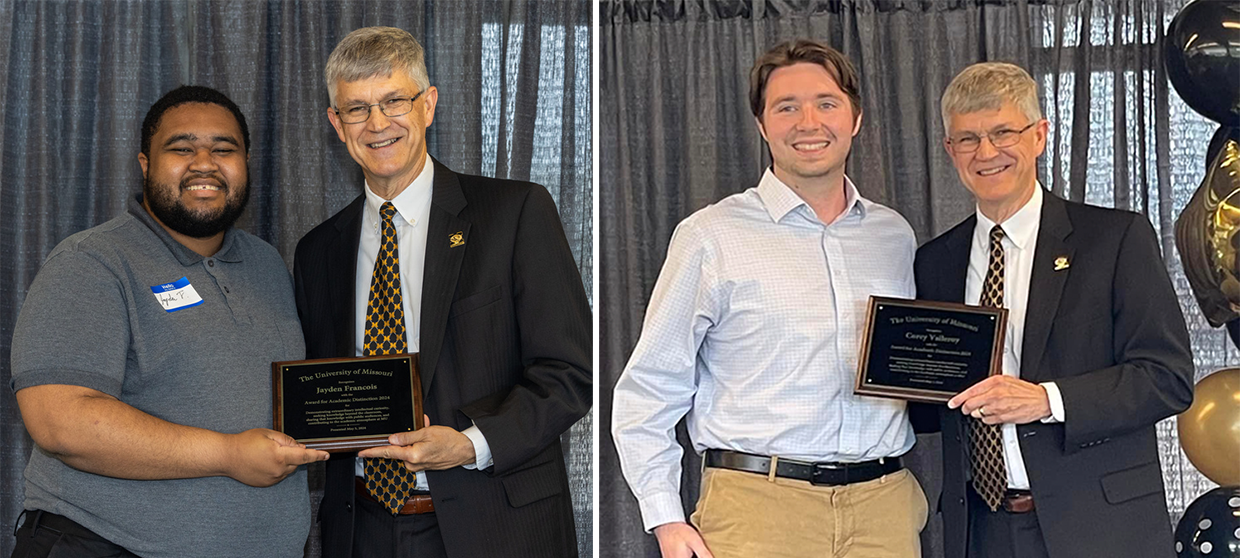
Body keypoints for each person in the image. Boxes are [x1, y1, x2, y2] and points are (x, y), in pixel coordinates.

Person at [611, 39, 927, 558]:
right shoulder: (710, 236)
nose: (809, 122)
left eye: (826, 103)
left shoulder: (893, 236)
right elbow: (648, 389)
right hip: (756, 511)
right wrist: (665, 518)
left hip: (883, 510)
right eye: (787, 107)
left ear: (856, 118)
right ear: (762, 125)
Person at [293, 26, 591, 558]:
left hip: (495, 523)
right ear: (337, 125)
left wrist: (470, 444)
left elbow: (569, 373)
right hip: (362, 526)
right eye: (357, 109)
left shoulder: (514, 212)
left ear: (428, 105)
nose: (378, 124)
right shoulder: (318, 251)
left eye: (394, 101)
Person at [8, 85, 329, 558]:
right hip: (104, 546)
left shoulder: (267, 264)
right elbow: (61, 423)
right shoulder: (92, 262)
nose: (204, 162)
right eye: (181, 148)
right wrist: (227, 455)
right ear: (144, 164)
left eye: (224, 149)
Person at [910, 62, 1194, 558]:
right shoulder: (935, 261)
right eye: (969, 138)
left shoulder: (1115, 239)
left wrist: (1047, 400)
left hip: (1099, 527)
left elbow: (1166, 378)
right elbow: (934, 403)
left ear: (1040, 136)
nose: (987, 152)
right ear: (949, 150)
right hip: (979, 529)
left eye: (1003, 132)